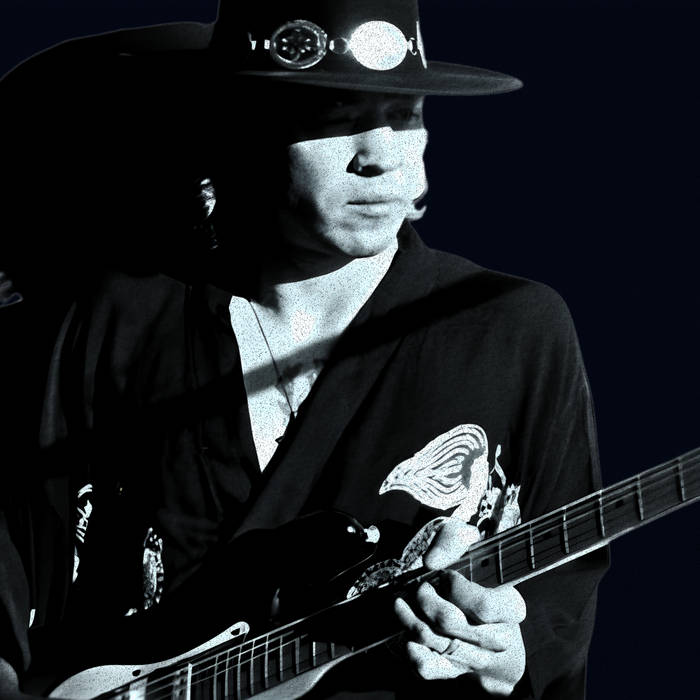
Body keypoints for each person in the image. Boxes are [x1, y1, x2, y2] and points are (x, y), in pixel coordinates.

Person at [0, 1, 608, 698]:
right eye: (335, 115)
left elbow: (562, 597)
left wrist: (508, 655)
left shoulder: (509, 327)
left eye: (405, 114)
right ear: (242, 132)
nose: (379, 156)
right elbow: (12, 539)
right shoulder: (122, 314)